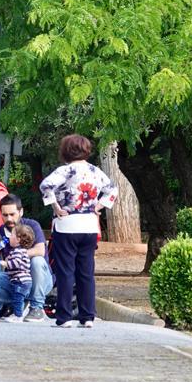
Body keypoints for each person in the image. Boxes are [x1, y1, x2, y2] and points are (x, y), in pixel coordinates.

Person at [40, 134, 118, 328]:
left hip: (66, 225)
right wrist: (97, 207)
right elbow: (112, 190)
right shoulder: (95, 171)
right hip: (89, 225)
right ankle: (88, 316)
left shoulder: (65, 170)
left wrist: (56, 207)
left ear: (65, 151)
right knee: (86, 272)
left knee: (66, 271)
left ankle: (64, 316)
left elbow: (45, 186)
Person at [0, 193, 53, 322]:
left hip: (39, 280)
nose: (9, 218)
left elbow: (40, 250)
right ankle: (9, 305)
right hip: (14, 281)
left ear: (21, 212)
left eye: (12, 214)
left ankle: (36, 307)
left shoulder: (32, 225)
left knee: (37, 261)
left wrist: (15, 257)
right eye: (5, 215)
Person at [0, 224, 36, 322]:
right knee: (17, 298)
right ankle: (16, 314)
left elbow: (16, 263)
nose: (9, 237)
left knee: (17, 299)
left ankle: (18, 316)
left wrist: (6, 263)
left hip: (20, 281)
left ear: (18, 239)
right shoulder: (22, 251)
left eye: (12, 235)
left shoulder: (18, 251)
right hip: (23, 281)